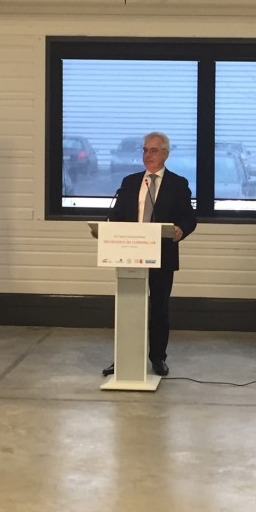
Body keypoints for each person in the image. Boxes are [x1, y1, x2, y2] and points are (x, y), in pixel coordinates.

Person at [104, 131, 197, 377]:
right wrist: (106, 230)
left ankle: (157, 357)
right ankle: (125, 358)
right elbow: (116, 216)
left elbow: (189, 217)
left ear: (165, 154)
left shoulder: (178, 184)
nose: (148, 155)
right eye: (145, 150)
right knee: (129, 307)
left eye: (153, 150)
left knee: (159, 309)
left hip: (162, 255)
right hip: (130, 252)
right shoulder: (130, 182)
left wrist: (181, 229)